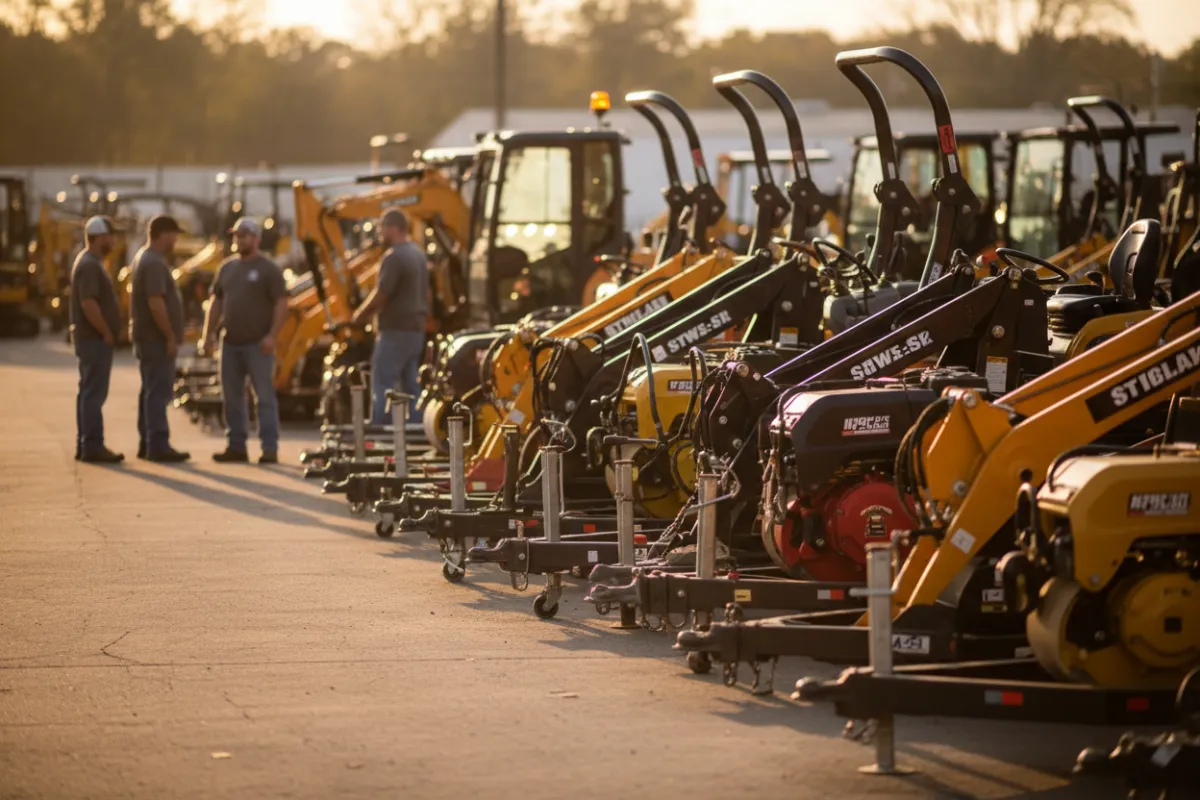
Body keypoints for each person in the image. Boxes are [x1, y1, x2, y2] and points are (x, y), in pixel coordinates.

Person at [201, 217, 288, 464]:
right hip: (230, 344)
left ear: (256, 239)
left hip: (258, 345)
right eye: (236, 235)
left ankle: (269, 448)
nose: (239, 240)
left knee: (264, 398)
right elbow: (216, 303)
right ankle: (236, 446)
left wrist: (272, 336)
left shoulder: (268, 269)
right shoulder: (226, 268)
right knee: (232, 398)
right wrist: (207, 335)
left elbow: (282, 304)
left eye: (244, 235)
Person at [350, 209, 428, 425]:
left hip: (395, 330)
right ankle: (417, 427)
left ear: (393, 228)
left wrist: (359, 315)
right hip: (416, 330)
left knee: (383, 381)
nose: (379, 232)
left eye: (381, 227)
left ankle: (382, 428)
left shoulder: (394, 257)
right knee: (411, 384)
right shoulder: (418, 254)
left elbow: (382, 292)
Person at [130, 215, 190, 463]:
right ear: (164, 233)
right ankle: (158, 445)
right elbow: (156, 303)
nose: (175, 240)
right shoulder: (154, 262)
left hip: (147, 338)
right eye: (174, 234)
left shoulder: (143, 257)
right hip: (155, 339)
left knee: (149, 390)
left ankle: (147, 443)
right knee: (158, 392)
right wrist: (169, 336)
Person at [71, 216, 124, 464]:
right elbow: (88, 303)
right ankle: (92, 445)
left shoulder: (91, 263)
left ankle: (86, 444)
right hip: (94, 340)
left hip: (91, 339)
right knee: (93, 394)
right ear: (99, 238)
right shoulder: (90, 265)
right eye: (111, 237)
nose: (114, 241)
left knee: (88, 392)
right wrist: (106, 332)